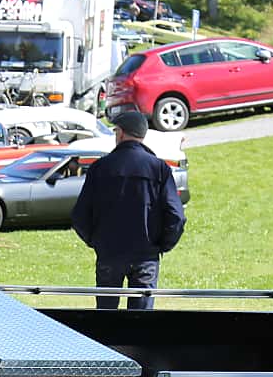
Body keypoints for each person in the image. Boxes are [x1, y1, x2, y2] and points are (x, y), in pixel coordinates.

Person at [70, 109, 186, 309]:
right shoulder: (159, 169)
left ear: (121, 133)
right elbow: (176, 216)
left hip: (109, 253)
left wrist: (96, 241)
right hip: (146, 255)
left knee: (106, 317)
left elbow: (80, 216)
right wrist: (161, 245)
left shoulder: (101, 168)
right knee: (140, 322)